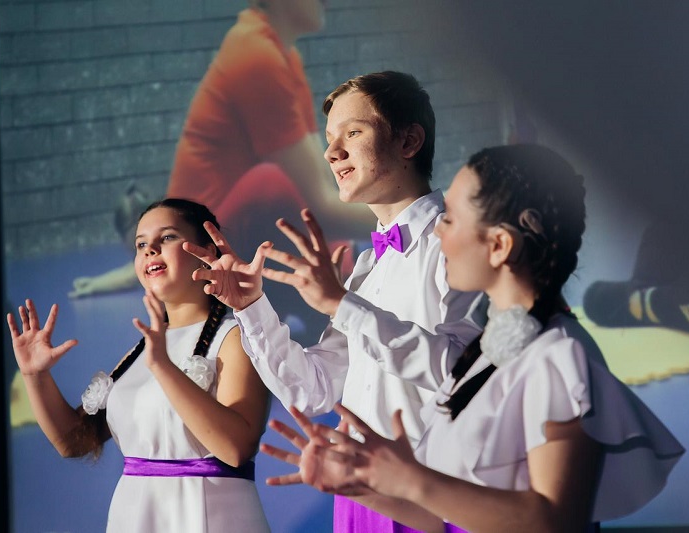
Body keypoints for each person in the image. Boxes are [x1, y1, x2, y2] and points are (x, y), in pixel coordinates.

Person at [262, 144, 686, 532]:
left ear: (499, 245)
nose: (437, 232)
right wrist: (358, 481)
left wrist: (409, 479)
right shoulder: (486, 355)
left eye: (449, 218)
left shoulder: (560, 355)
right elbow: (444, 521)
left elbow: (555, 522)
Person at [185, 71, 486, 531]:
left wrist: (343, 306)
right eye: (329, 139)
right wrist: (250, 307)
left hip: (440, 497)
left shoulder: (459, 244)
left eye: (353, 133)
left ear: (409, 141)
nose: (331, 152)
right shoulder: (367, 266)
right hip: (362, 498)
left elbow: (466, 373)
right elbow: (313, 390)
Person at [70, 0, 372, 300]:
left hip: (213, 247)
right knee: (269, 183)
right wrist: (396, 222)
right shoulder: (256, 56)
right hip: (207, 260)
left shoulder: (282, 55)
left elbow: (324, 184)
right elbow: (318, 208)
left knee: (327, 219)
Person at [7, 199, 271, 532]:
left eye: (168, 237)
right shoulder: (141, 350)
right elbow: (73, 441)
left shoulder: (235, 338)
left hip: (209, 517)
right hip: (135, 517)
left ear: (206, 251)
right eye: (141, 244)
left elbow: (236, 448)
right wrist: (35, 375)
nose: (150, 250)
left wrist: (163, 367)